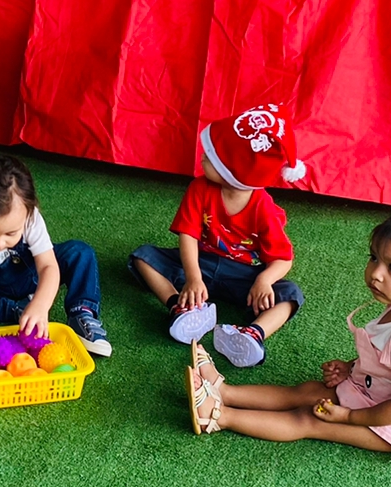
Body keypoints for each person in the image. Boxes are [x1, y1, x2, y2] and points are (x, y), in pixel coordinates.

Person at [186, 200, 391, 462]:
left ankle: (219, 416)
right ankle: (224, 392)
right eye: (374, 258)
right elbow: (389, 359)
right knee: (308, 391)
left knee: (310, 419)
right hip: (381, 393)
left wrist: (349, 416)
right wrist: (352, 367)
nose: (376, 273)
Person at [129, 103, 306, 368]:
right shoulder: (199, 188)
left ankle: (254, 334)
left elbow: (283, 259)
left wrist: (264, 281)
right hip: (201, 263)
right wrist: (193, 278)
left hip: (242, 276)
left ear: (235, 172)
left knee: (290, 293)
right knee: (143, 257)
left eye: (213, 157)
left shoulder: (265, 209)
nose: (203, 157)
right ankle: (181, 307)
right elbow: (188, 235)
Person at [0, 154, 111, 357]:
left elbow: (48, 266)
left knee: (80, 253)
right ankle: (18, 310)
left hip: (31, 277)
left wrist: (41, 305)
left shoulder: (31, 219)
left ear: (28, 212)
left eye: (11, 233)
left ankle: (82, 312)